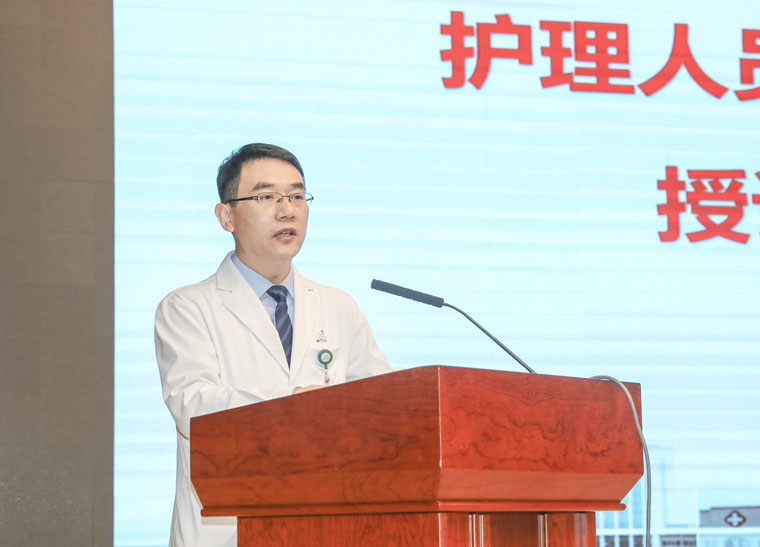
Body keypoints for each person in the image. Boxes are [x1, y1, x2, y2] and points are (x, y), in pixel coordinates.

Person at [154, 143, 392, 547]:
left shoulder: (338, 306)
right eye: (267, 197)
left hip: (325, 529)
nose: (288, 211)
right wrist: (296, 404)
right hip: (227, 532)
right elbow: (193, 406)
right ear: (226, 216)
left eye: (297, 196)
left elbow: (381, 407)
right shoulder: (187, 307)